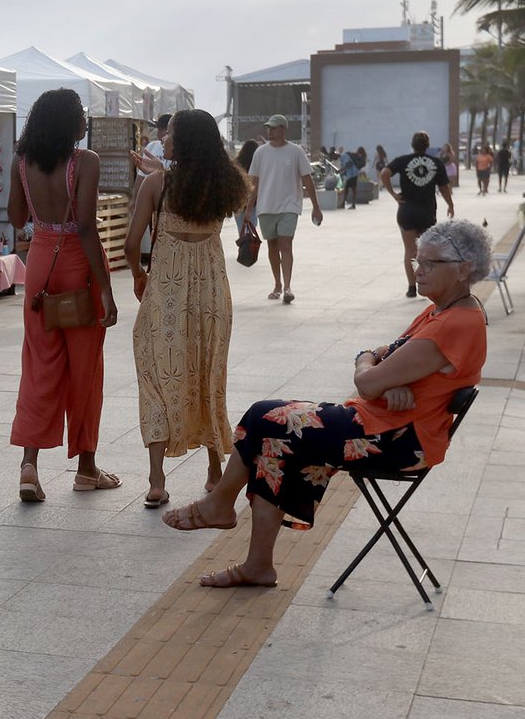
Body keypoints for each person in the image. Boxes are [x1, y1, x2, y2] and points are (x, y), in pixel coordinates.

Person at [161, 220, 490, 587]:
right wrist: (382, 374)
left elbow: (368, 377)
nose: (418, 270)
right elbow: (385, 357)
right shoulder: (444, 310)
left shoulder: (455, 323)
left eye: (430, 264)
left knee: (263, 416)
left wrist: (370, 366)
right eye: (418, 260)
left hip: (395, 438)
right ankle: (257, 565)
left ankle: (219, 506)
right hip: (385, 422)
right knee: (272, 443)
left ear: (464, 269)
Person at [125, 110, 250, 508]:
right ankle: (215, 471)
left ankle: (157, 480)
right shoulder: (228, 183)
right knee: (208, 373)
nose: (165, 138)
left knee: (158, 373)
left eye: (171, 133)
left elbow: (131, 243)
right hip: (213, 291)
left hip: (167, 289)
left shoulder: (156, 184)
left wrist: (138, 275)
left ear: (185, 140)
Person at [7, 88, 120, 502]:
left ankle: (29, 465)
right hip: (77, 264)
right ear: (70, 122)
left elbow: (16, 216)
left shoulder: (23, 163)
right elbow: (87, 226)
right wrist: (104, 289)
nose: (85, 122)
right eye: (81, 116)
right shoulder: (84, 162)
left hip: (39, 263)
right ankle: (86, 469)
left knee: (39, 366)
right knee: (85, 369)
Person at [246, 114, 322, 304]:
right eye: (268, 128)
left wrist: (316, 206)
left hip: (289, 205)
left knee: (286, 245)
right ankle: (277, 284)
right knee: (272, 246)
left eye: (274, 128)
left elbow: (307, 179)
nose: (270, 131)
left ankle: (288, 286)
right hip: (265, 207)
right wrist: (248, 209)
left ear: (283, 129)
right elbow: (254, 182)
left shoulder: (296, 151)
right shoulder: (260, 153)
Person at [380, 131, 456, 299]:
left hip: (406, 210)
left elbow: (384, 173)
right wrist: (450, 204)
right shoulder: (435, 163)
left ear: (412, 145)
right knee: (426, 250)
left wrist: (393, 193)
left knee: (410, 250)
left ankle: (411, 287)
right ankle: (426, 284)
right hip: (427, 211)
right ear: (427, 146)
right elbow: (444, 187)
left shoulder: (402, 160)